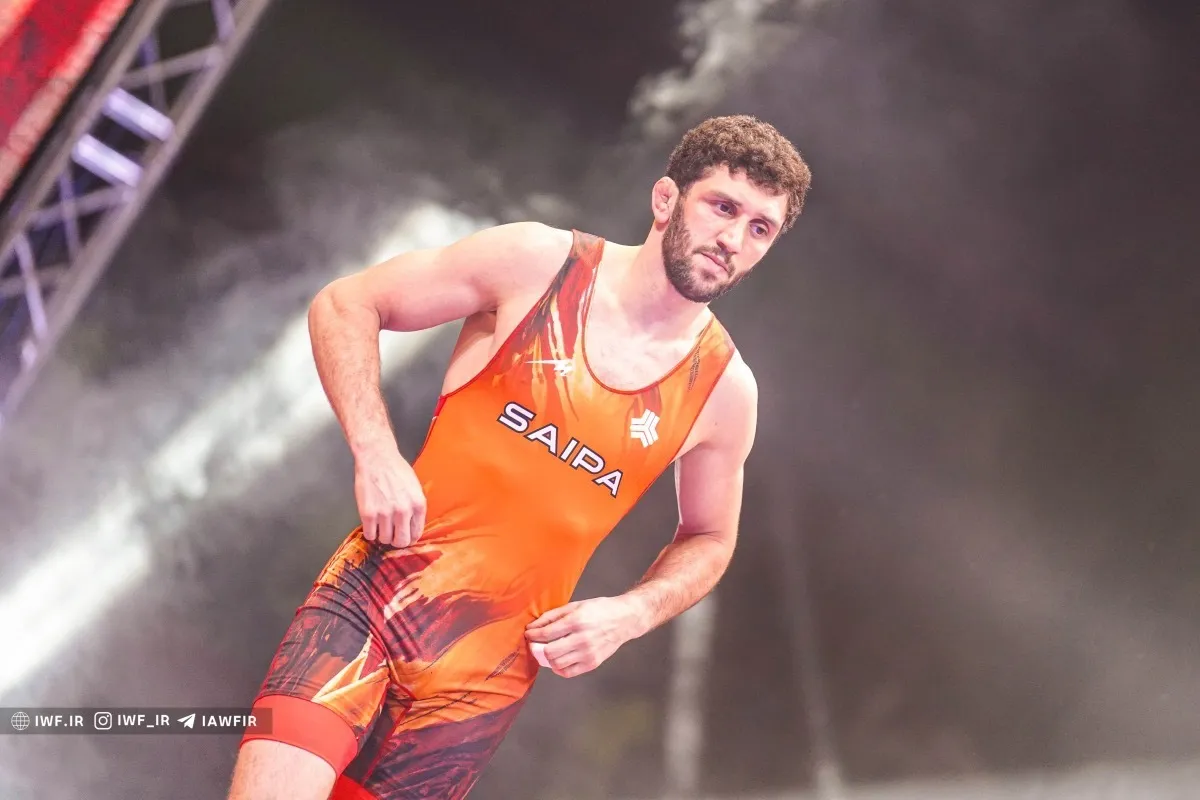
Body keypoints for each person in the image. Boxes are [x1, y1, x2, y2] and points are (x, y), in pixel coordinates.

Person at [227, 114, 811, 800]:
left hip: (478, 687)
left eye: (760, 228)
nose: (733, 240)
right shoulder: (538, 264)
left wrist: (631, 615)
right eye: (723, 207)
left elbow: (710, 537)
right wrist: (375, 450)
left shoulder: (725, 391)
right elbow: (345, 305)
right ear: (665, 199)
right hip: (370, 606)